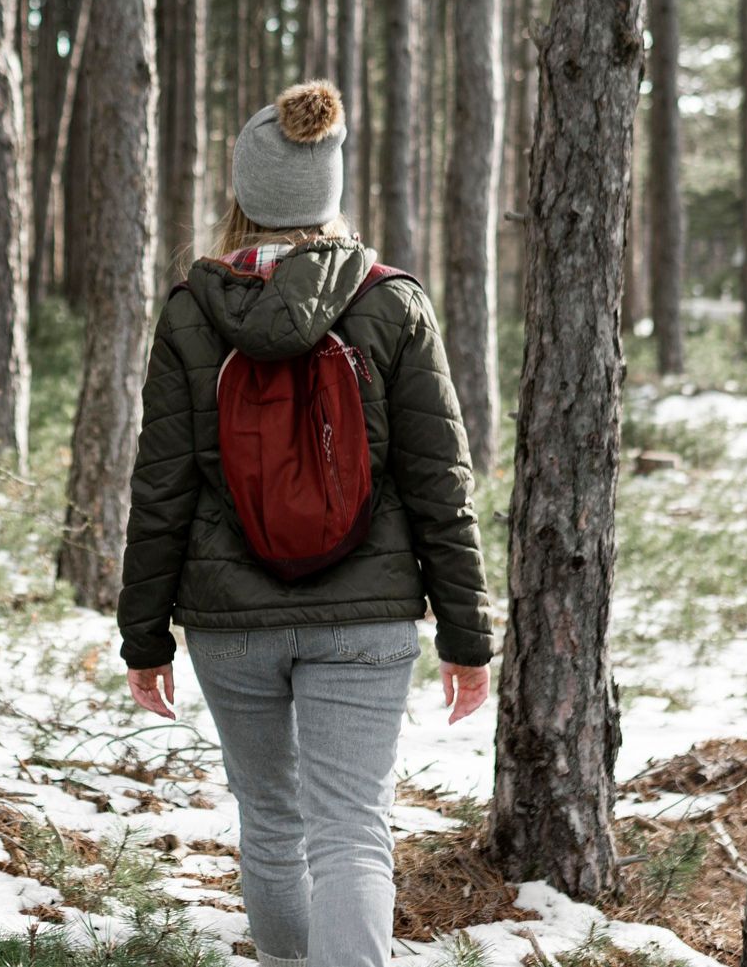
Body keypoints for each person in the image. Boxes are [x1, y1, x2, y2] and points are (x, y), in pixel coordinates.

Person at [115, 79, 494, 967]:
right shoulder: (392, 301)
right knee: (354, 832)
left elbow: (160, 486)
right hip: (366, 615)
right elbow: (441, 481)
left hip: (228, 616)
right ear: (329, 190)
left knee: (274, 825)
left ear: (244, 196)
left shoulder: (190, 310)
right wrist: (468, 637)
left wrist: (145, 639)